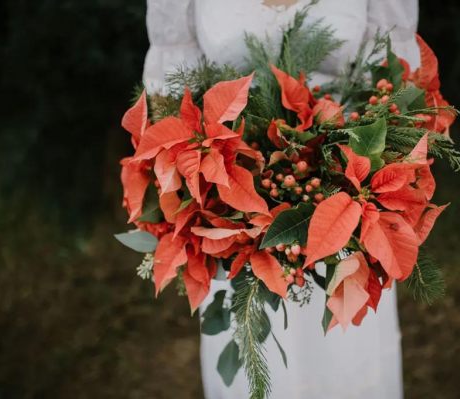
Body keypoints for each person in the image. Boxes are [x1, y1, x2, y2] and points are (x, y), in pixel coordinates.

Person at [143, 1, 420, 397]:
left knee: (346, 358)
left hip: (351, 210)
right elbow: (169, 95)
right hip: (234, 216)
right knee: (254, 357)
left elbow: (401, 82)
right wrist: (196, 201)